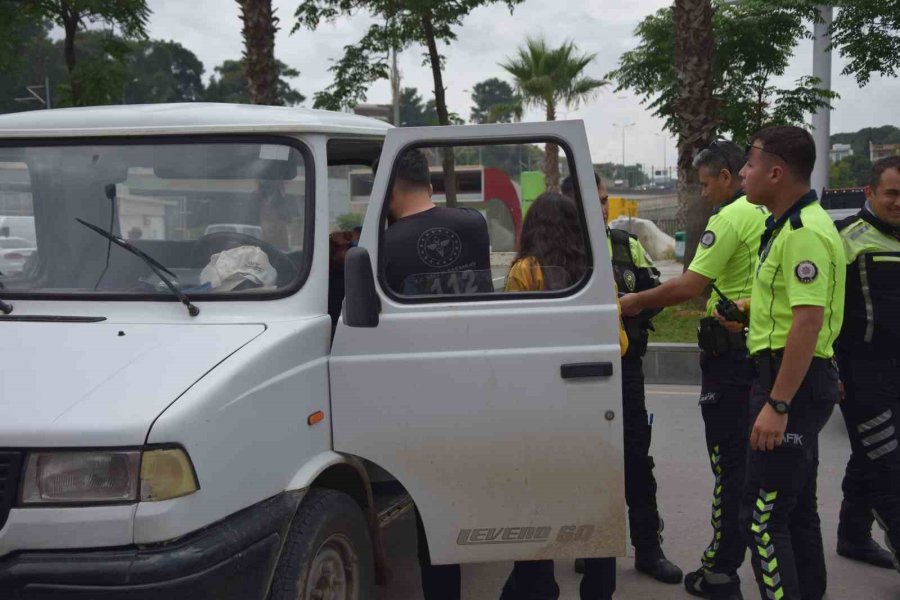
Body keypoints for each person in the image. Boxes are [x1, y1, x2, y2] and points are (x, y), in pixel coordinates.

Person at [619, 140, 768, 599]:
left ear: (727, 177)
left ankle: (721, 570)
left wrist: (630, 302)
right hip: (764, 350)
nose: (704, 194)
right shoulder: (774, 216)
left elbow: (690, 285)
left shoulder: (730, 219)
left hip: (732, 356)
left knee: (731, 466)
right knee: (770, 474)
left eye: (706, 184)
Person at [717, 125, 845, 600]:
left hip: (787, 384)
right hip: (795, 378)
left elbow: (808, 323)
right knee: (794, 511)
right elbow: (800, 309)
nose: (742, 174)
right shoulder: (790, 225)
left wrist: (778, 402)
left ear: (775, 172)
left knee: (763, 519)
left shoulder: (802, 232)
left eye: (748, 165)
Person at [502, 191, 627, 600]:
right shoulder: (596, 271)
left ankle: (538, 588)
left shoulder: (524, 270)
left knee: (537, 502)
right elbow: (619, 343)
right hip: (592, 402)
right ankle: (599, 590)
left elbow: (511, 341)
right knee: (593, 503)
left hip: (539, 406)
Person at [562, 173, 683, 586]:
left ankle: (648, 548)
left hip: (625, 370)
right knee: (584, 462)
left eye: (604, 199)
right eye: (592, 199)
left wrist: (634, 311)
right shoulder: (557, 251)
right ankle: (590, 546)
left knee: (636, 458)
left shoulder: (625, 244)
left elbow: (654, 293)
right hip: (573, 377)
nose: (601, 206)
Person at [833, 155, 900, 572]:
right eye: (892, 193)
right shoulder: (844, 239)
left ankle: (852, 536)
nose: (899, 202)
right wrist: (833, 367)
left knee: (870, 454)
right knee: (890, 465)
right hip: (861, 371)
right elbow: (821, 309)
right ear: (870, 192)